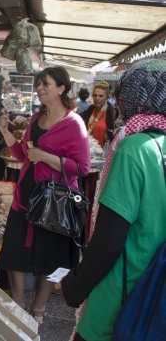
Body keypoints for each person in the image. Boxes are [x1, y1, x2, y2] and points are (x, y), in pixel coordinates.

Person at [61, 59, 166, 341]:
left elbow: (109, 242)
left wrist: (75, 286)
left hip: (121, 299)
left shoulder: (135, 149)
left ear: (130, 98)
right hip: (157, 300)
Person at [0, 66, 90, 326]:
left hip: (53, 203)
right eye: (38, 83)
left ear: (61, 88)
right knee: (15, 251)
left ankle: (39, 307)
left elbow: (81, 167)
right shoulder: (36, 119)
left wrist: (46, 157)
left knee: (50, 255)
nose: (39, 88)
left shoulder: (74, 124)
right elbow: (24, 156)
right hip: (24, 198)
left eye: (45, 83)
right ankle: (18, 303)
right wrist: (5, 132)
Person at [80, 81, 116, 147]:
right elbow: (78, 117)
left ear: (107, 97)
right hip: (89, 149)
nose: (97, 98)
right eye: (95, 95)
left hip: (103, 153)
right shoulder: (91, 109)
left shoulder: (111, 111)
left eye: (101, 96)